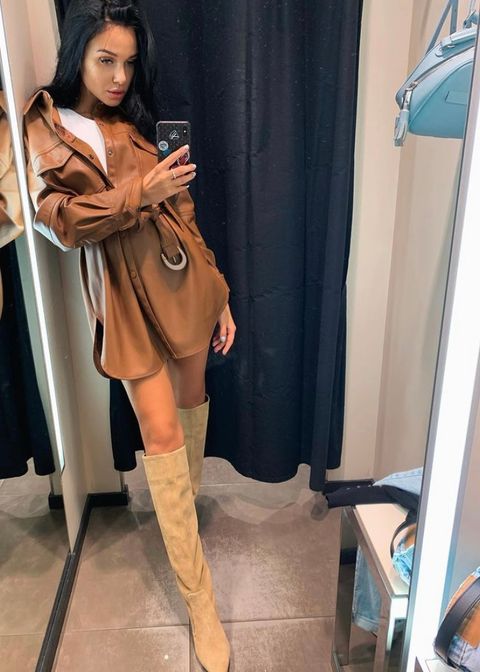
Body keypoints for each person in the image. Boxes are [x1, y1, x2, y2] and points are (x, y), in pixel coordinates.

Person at [23, 1, 236, 670]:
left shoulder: (136, 127)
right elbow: (61, 221)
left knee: (193, 400)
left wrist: (221, 293)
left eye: (129, 63)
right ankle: (201, 601)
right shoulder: (47, 126)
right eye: (105, 60)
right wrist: (139, 192)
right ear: (78, 56)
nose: (119, 77)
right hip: (122, 299)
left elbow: (183, 214)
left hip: (183, 282)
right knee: (160, 433)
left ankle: (185, 521)